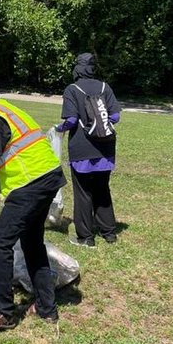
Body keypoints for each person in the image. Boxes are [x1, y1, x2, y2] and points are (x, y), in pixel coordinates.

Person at [0, 73, 65, 332]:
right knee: (32, 243)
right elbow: (15, 151)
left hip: (30, 185)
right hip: (49, 177)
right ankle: (46, 307)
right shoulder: (8, 108)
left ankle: (3, 312)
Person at [56, 52, 121, 246]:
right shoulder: (105, 87)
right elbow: (115, 117)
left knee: (83, 192)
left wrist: (58, 129)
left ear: (78, 68)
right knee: (102, 189)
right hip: (106, 147)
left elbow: (71, 120)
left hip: (82, 148)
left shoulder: (72, 89)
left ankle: (86, 237)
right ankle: (109, 233)